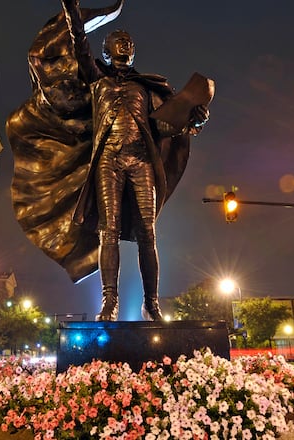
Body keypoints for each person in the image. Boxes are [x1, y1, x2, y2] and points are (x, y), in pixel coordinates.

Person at [60, 0, 210, 321]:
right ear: (106, 50)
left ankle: (151, 303)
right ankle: (109, 302)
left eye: (129, 42)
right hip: (108, 160)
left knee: (148, 233)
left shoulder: (149, 88)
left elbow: (170, 125)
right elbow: (79, 42)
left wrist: (195, 119)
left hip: (141, 160)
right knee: (108, 231)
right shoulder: (96, 79)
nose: (125, 43)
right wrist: (71, 8)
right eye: (119, 40)